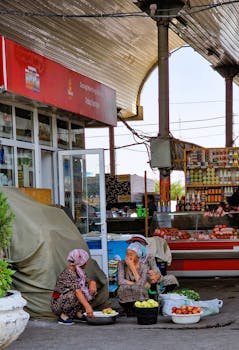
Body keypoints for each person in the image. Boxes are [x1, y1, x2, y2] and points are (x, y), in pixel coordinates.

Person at [50, 248, 97, 325]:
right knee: (75, 293)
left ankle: (78, 314)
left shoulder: (79, 272)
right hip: (58, 304)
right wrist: (88, 307)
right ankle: (63, 317)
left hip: (67, 299)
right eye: (84, 260)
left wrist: (93, 283)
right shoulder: (69, 273)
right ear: (80, 261)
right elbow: (77, 291)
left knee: (90, 290)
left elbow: (87, 281)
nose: (86, 263)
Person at [117, 242, 149, 316]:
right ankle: (128, 309)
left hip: (139, 290)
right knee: (122, 288)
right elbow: (120, 281)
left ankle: (139, 309)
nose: (127, 257)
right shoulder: (121, 263)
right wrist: (135, 284)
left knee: (141, 289)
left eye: (131, 254)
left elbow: (141, 284)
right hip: (127, 288)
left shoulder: (144, 267)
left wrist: (132, 267)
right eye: (127, 254)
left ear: (137, 256)